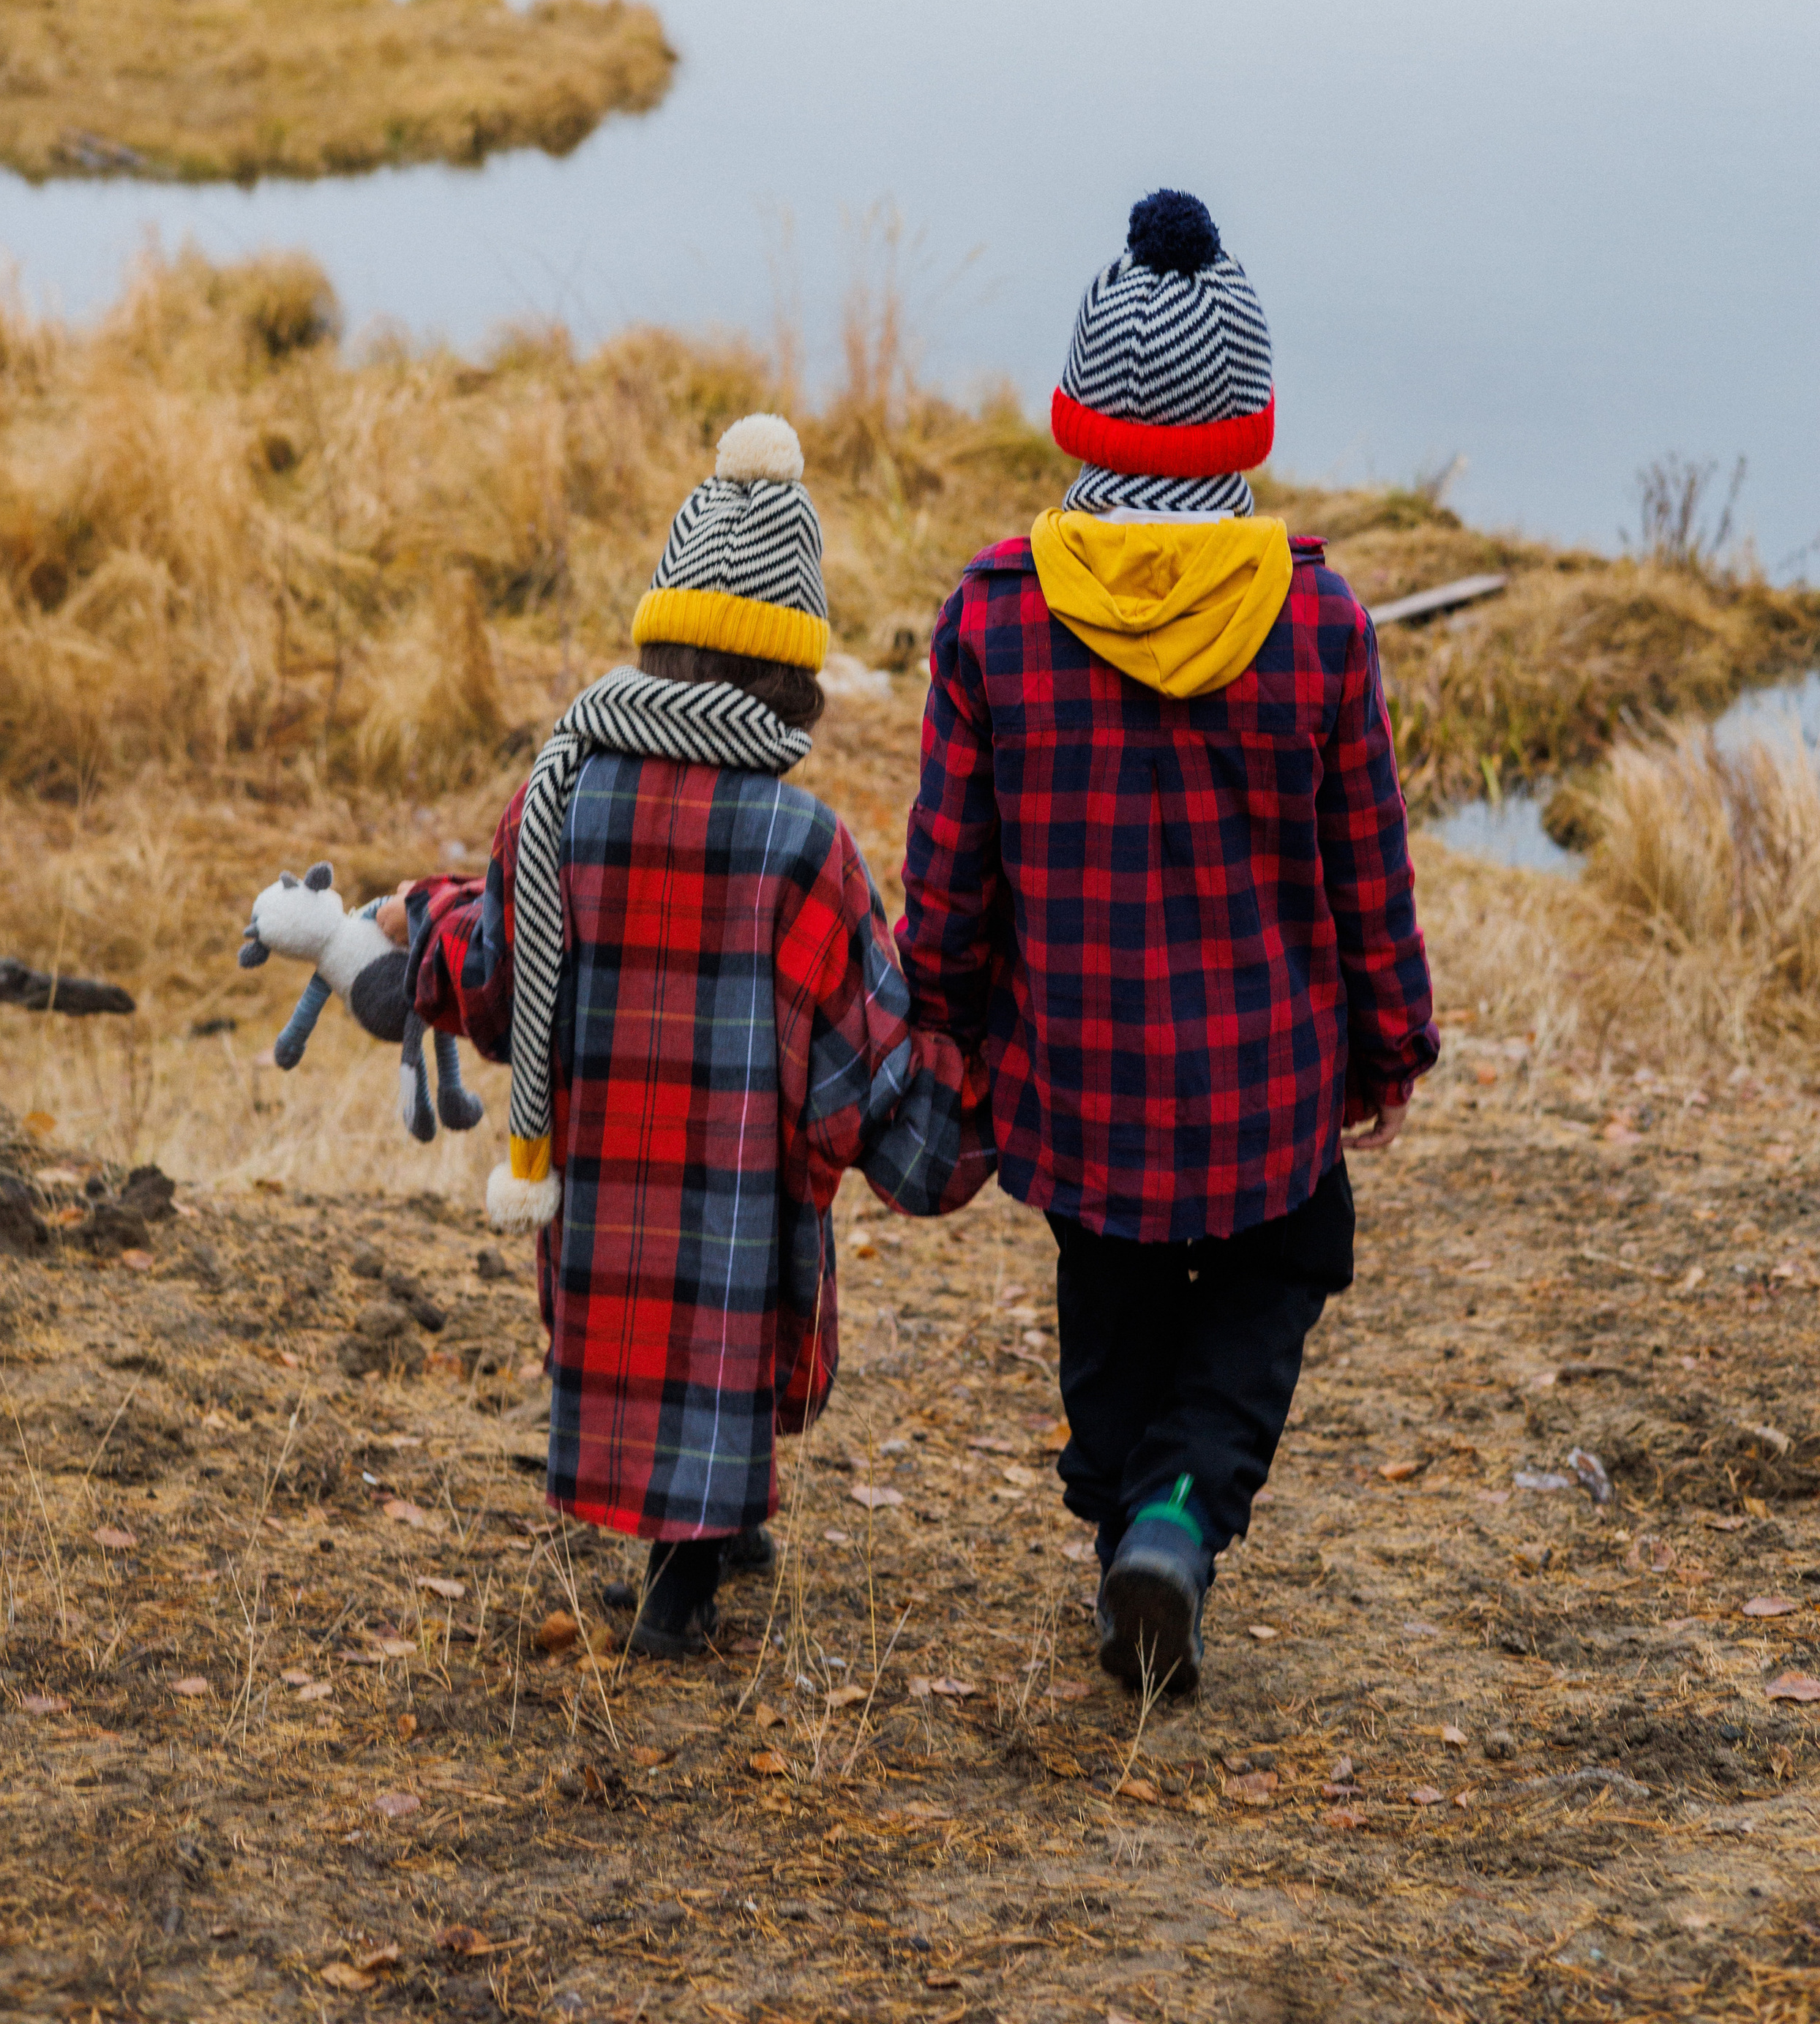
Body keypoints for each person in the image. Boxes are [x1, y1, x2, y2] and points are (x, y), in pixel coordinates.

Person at [896, 190, 1438, 1693]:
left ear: (1082, 416)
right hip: (1269, 1082)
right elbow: (1367, 867)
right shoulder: (1316, 624)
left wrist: (938, 1011)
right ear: (1242, 424)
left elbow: (947, 871)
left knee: (1111, 1304)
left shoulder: (992, 620)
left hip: (1073, 1077)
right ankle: (1179, 1525)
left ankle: (1127, 1550)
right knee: (1284, 1267)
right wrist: (1389, 1038)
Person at [386, 414, 991, 1657]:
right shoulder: (802, 842)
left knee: (633, 1315)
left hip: (597, 1216)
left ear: (661, 635)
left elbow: (498, 988)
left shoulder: (564, 790)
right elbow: (860, 1077)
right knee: (725, 1283)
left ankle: (704, 1543)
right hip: (730, 1231)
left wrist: (421, 925)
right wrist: (975, 1066)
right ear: (793, 669)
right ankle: (683, 1588)